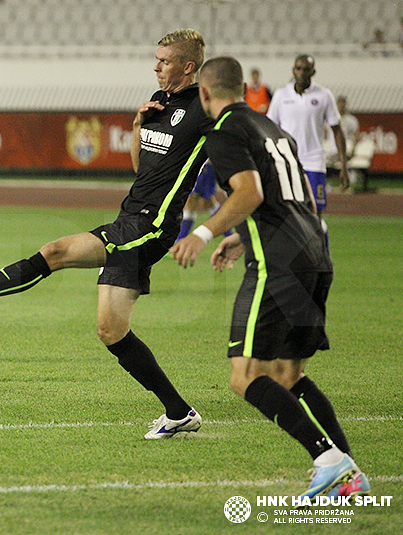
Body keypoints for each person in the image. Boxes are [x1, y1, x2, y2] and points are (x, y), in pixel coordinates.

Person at [0, 29, 213, 439]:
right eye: (156, 59)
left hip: (150, 227)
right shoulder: (160, 104)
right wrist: (138, 124)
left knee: (56, 252)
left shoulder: (204, 108)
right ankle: (179, 412)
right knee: (110, 330)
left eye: (164, 61)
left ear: (188, 66)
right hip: (129, 218)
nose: (155, 66)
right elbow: (141, 166)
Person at [170, 56, 370, 501]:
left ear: (205, 93)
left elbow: (251, 192)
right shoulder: (272, 129)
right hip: (315, 253)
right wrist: (241, 237)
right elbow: (289, 199)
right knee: (286, 372)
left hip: (279, 266)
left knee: (244, 376)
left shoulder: (223, 131)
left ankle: (331, 462)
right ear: (244, 87)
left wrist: (202, 232)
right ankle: (348, 472)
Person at [266, 54, 348, 217]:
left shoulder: (324, 96)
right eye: (298, 68)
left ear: (313, 72)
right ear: (293, 70)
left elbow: (337, 130)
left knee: (315, 213)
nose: (302, 72)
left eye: (306, 69)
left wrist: (344, 165)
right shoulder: (281, 95)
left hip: (314, 161)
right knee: (286, 213)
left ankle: (320, 243)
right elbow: (269, 129)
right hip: (287, 162)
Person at [176, 160, 230, 241]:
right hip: (204, 163)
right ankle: (230, 235)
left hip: (205, 163)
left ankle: (178, 243)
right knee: (204, 202)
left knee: (194, 200)